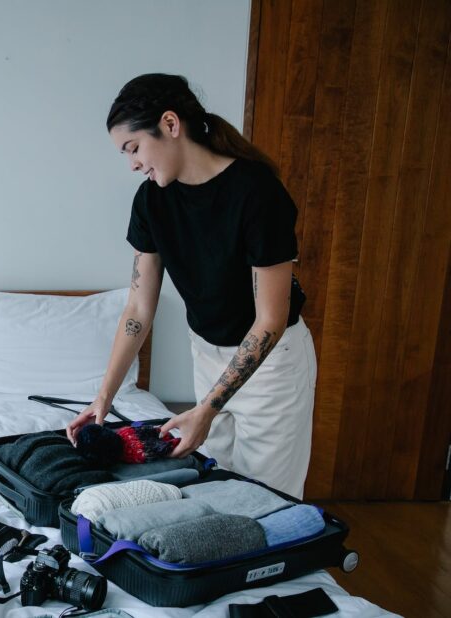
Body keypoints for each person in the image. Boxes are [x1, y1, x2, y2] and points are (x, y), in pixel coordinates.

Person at [66, 74, 317, 498]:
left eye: (133, 148)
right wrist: (103, 398)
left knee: (267, 500)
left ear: (169, 124)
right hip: (207, 355)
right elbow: (138, 311)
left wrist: (207, 409)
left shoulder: (256, 192)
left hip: (271, 366)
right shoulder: (151, 202)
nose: (132, 164)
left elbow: (270, 320)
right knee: (216, 489)